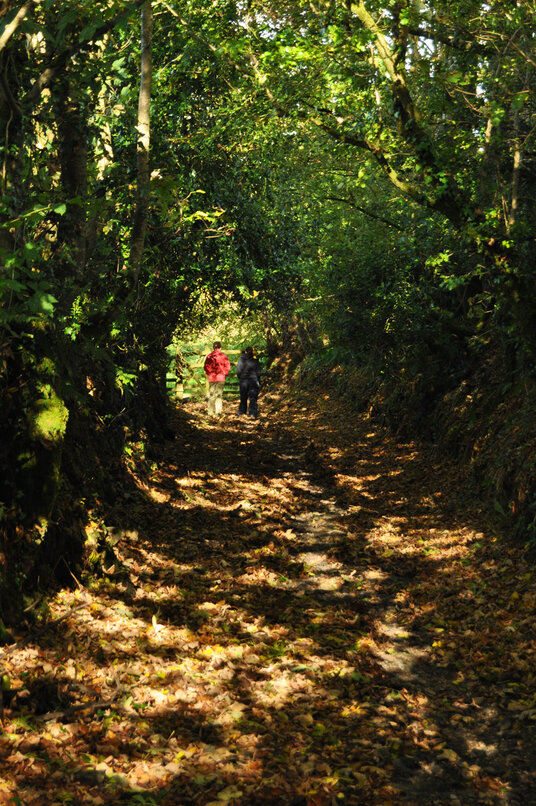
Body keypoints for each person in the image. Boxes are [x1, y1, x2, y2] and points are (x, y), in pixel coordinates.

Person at [203, 341, 230, 416]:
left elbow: (206, 367)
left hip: (212, 378)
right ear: (220, 347)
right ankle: (218, 412)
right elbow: (227, 367)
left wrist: (210, 373)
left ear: (213, 347)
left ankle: (210, 412)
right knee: (219, 395)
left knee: (212, 395)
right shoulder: (223, 356)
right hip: (221, 378)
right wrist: (223, 373)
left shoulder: (209, 356)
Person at [236, 345, 261, 418]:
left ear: (245, 352)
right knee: (253, 398)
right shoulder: (255, 360)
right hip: (253, 380)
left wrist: (241, 378)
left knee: (243, 397)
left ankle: (241, 412)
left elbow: (238, 371)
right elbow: (258, 372)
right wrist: (257, 379)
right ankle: (252, 413)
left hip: (243, 381)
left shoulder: (241, 360)